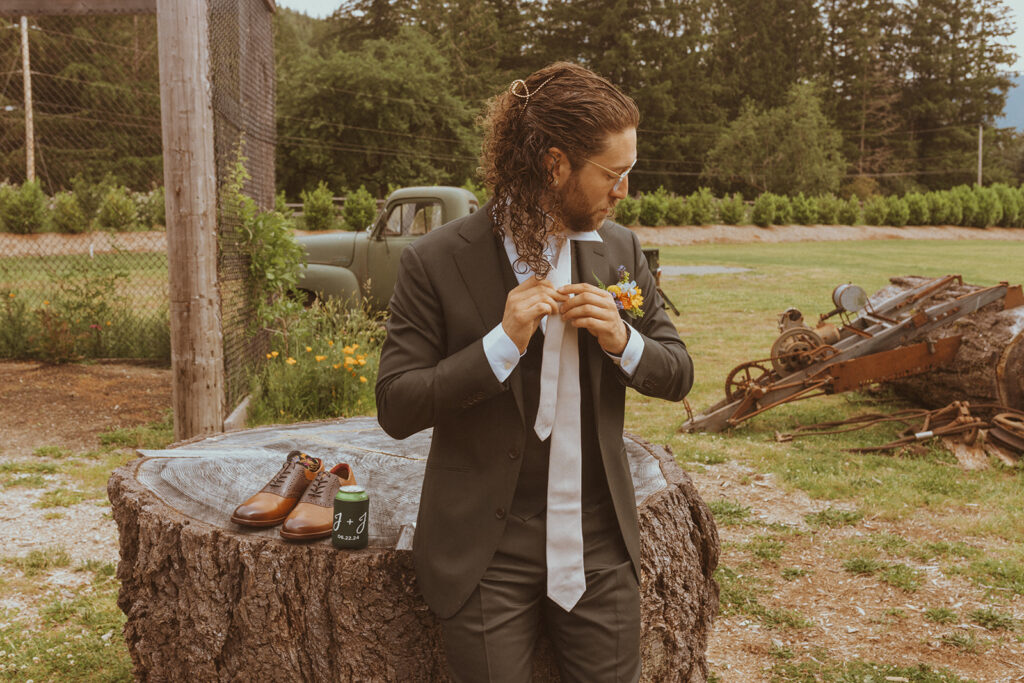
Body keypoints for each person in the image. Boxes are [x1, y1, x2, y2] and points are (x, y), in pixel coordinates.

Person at [375, 62, 693, 682]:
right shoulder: (437, 261)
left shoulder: (621, 251)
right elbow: (397, 404)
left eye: (630, 172)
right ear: (553, 165)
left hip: (600, 544)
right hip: (487, 552)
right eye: (614, 173)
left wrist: (622, 338)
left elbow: (677, 373)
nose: (625, 190)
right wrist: (501, 343)